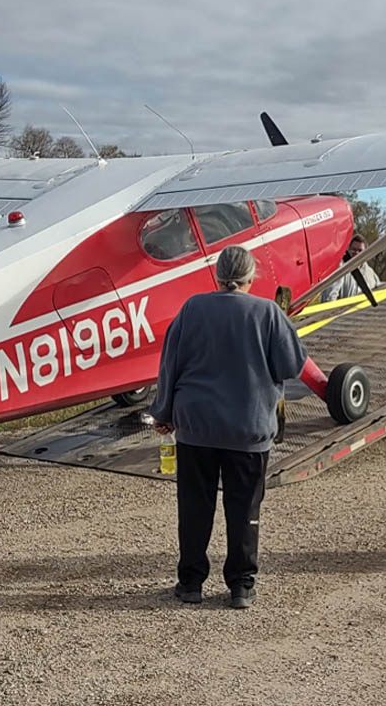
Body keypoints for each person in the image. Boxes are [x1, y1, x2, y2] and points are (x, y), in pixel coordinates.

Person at [149, 246, 308, 609]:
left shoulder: (191, 308)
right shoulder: (267, 312)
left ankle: (190, 582)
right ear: (252, 277)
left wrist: (163, 411)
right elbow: (291, 364)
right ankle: (241, 585)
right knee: (244, 507)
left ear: (216, 276)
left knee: (194, 506)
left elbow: (170, 365)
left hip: (196, 426)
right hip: (248, 428)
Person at [321, 234, 381, 302]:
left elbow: (379, 289)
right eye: (354, 249)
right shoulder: (340, 269)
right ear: (348, 250)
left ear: (365, 252)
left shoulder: (370, 272)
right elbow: (329, 297)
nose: (356, 253)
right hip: (344, 311)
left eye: (360, 250)